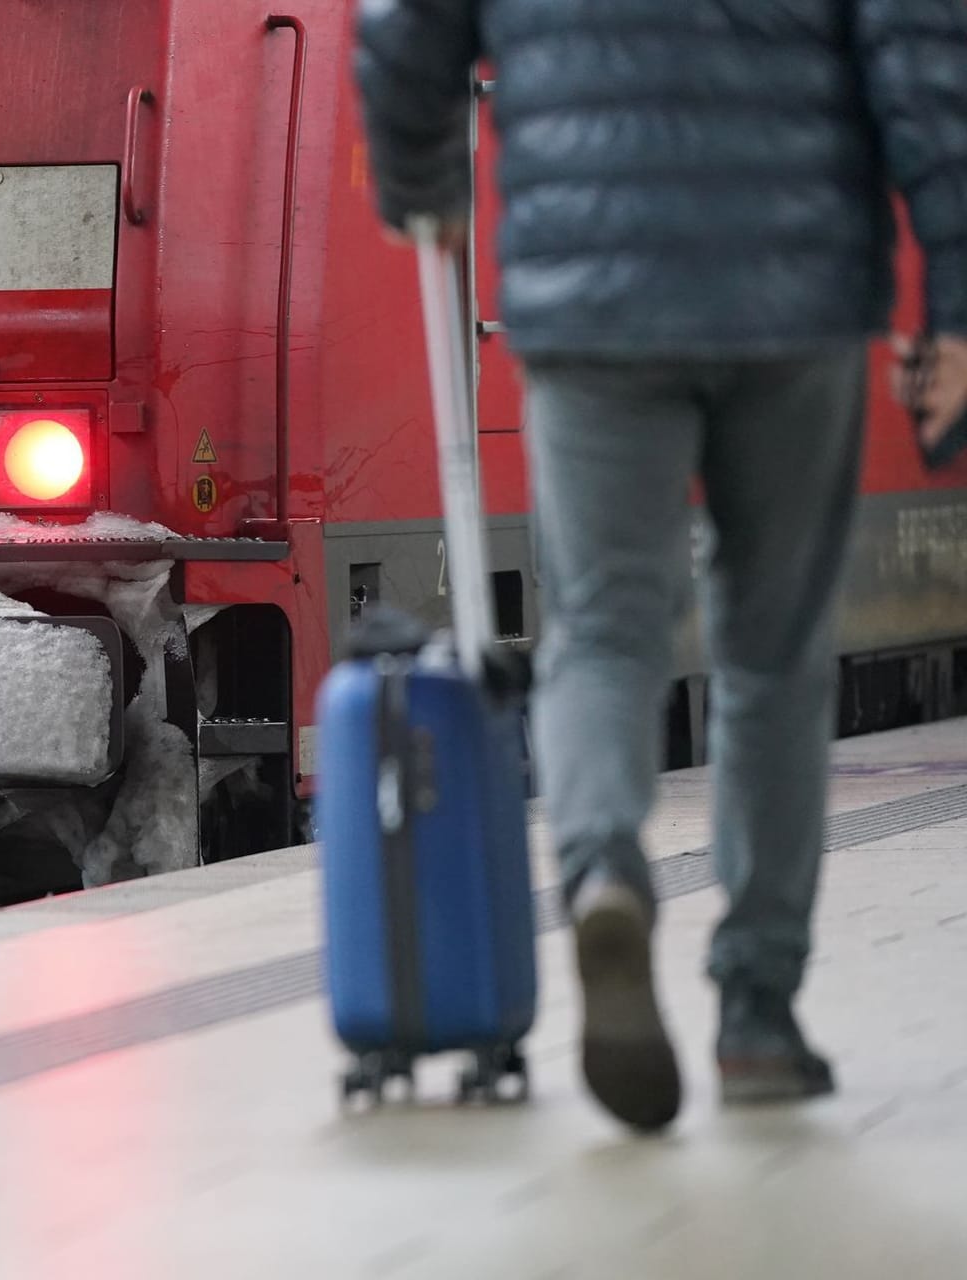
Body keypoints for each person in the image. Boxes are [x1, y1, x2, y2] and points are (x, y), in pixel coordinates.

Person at [354, 0, 967, 1132]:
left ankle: (604, 877)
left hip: (594, 303)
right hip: (798, 292)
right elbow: (928, 69)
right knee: (774, 656)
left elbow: (401, 30)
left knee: (602, 629)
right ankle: (759, 1015)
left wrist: (421, 183)